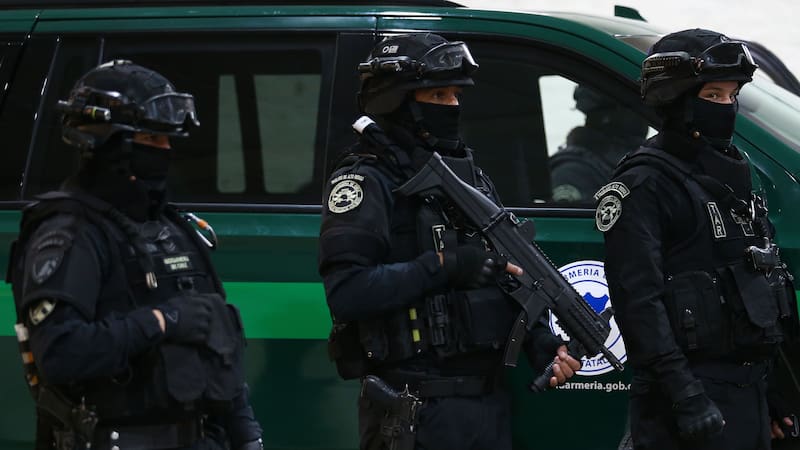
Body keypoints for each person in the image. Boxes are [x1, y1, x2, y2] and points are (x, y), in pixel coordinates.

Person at [318, 33, 581, 450]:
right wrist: (445, 266)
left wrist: (541, 343)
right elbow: (348, 292)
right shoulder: (367, 180)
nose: (452, 106)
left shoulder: (471, 179)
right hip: (414, 409)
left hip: (487, 407)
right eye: (438, 95)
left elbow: (507, 276)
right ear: (398, 102)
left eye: (456, 95)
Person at [7, 60, 263, 450]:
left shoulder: (171, 227)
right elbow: (61, 352)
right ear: (108, 143)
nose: (166, 151)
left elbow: (216, 343)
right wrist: (161, 321)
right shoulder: (70, 233)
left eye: (167, 140)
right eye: (151, 140)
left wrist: (246, 435)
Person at [596, 29, 799, 449]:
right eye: (712, 95)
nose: (726, 106)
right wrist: (685, 395)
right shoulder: (646, 183)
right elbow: (639, 302)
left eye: (731, 95)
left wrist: (775, 392)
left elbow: (761, 286)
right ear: (678, 100)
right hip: (686, 400)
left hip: (747, 393)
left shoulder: (735, 173)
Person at [549, 85, 649, 202]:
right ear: (607, 116)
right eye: (635, 109)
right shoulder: (573, 172)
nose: (643, 118)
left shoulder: (638, 160)